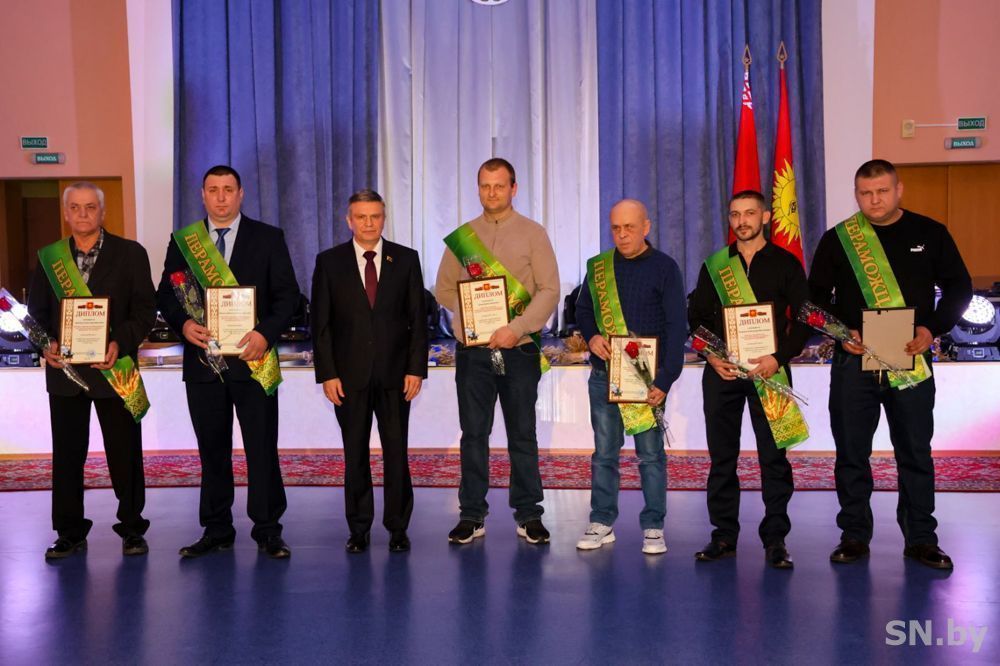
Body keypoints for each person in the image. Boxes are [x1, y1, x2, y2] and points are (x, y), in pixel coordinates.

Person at [809, 159, 972, 570]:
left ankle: (921, 539)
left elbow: (960, 287)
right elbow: (813, 301)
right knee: (851, 453)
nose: (875, 200)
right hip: (853, 362)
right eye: (866, 193)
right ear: (856, 195)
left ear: (899, 190)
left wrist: (932, 329)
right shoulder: (838, 239)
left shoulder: (930, 233)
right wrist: (841, 332)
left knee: (915, 451)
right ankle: (853, 535)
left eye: (882, 191)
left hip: (910, 357)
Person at [156, 165, 300, 559]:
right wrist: (184, 324)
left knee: (261, 448)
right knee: (212, 450)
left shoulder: (268, 237)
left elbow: (288, 296)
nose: (221, 197)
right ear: (202, 195)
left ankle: (268, 530)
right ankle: (216, 528)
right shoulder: (184, 242)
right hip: (203, 364)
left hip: (254, 360)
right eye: (213, 190)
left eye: (228, 189)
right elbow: (166, 294)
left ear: (241, 194)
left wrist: (264, 334)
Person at [434, 158, 560, 545]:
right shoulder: (464, 238)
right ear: (478, 189)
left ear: (513, 188)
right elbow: (443, 289)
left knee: (522, 434)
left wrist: (515, 328)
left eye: (499, 186)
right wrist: (471, 318)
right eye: (485, 186)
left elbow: (550, 291)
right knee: (474, 434)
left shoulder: (534, 233)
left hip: (519, 350)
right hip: (474, 353)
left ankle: (529, 514)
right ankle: (472, 514)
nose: (492, 193)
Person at [28, 181, 156, 559]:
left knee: (125, 454)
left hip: (115, 368)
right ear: (66, 212)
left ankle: (132, 528)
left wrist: (119, 343)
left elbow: (144, 312)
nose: (83, 214)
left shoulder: (131, 253)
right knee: (67, 456)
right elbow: (37, 314)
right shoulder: (49, 258)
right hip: (65, 374)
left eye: (90, 207)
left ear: (102, 212)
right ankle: (69, 532)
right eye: (75, 207)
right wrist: (46, 344)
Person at [688, 190, 811, 569]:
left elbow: (804, 318)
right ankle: (723, 535)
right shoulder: (714, 266)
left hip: (769, 371)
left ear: (766, 217)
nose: (742, 221)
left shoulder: (786, 263)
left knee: (774, 459)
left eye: (749, 213)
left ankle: (775, 539)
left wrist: (779, 357)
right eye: (735, 214)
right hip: (722, 372)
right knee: (722, 457)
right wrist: (711, 356)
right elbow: (696, 319)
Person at [311, 189, 427, 553]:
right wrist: (328, 374)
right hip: (348, 378)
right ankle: (358, 528)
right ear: (349, 221)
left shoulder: (406, 259)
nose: (368, 223)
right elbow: (321, 325)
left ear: (384, 218)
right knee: (355, 453)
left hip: (396, 376)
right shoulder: (329, 262)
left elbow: (418, 320)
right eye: (361, 217)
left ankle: (398, 527)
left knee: (396, 453)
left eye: (375, 216)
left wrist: (416, 369)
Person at [574, 199, 687, 554]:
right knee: (604, 453)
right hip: (604, 375)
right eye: (616, 228)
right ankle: (601, 520)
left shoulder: (665, 268)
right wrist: (592, 336)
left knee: (650, 455)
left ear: (646, 227)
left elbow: (676, 327)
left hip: (646, 377)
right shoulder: (599, 268)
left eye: (629, 227)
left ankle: (654, 525)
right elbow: (582, 309)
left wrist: (666, 379)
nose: (622, 235)